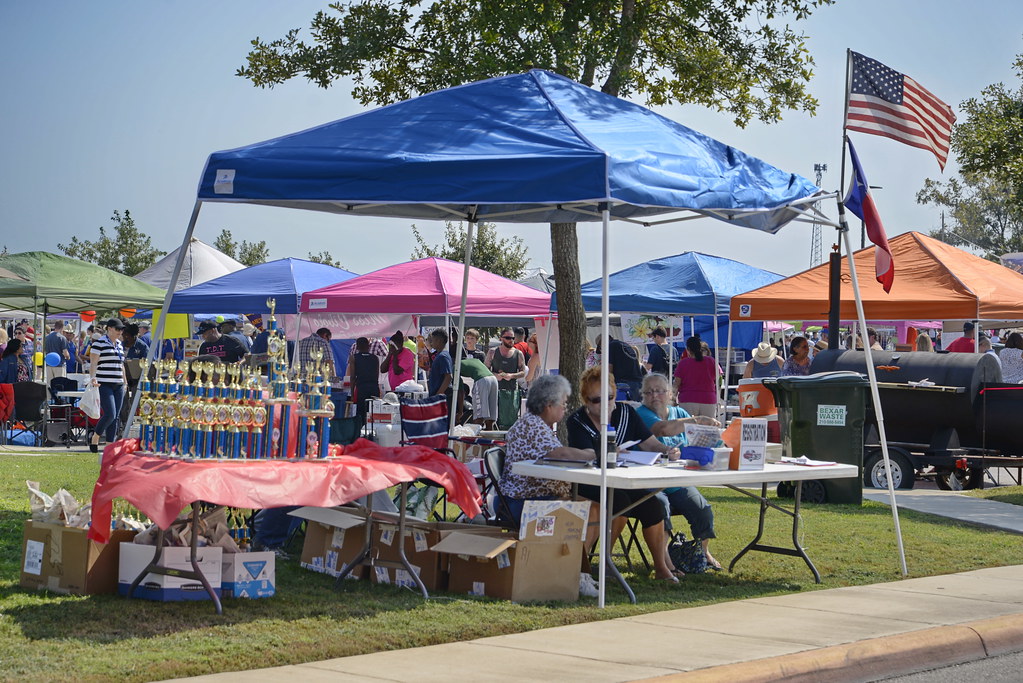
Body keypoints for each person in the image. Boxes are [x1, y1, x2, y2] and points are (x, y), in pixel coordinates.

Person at [566, 367, 682, 582]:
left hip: (621, 480)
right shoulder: (576, 421)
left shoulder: (626, 412)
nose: (605, 404)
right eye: (596, 400)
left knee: (653, 505)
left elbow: (650, 443)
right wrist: (604, 452)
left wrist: (668, 451)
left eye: (609, 397)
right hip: (588, 482)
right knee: (618, 500)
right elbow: (583, 455)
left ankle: (661, 568)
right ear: (585, 400)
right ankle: (605, 561)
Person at [499, 373, 604, 597]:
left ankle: (576, 570)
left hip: (526, 499)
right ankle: (575, 573)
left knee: (590, 504)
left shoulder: (535, 424)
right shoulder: (533, 425)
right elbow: (560, 453)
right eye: (563, 404)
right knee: (590, 507)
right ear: (549, 405)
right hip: (523, 504)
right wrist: (595, 453)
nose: (565, 409)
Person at [634, 372, 721, 570]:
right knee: (660, 506)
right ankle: (665, 561)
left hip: (677, 480)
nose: (654, 396)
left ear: (671, 394)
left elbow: (703, 440)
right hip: (650, 482)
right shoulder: (642, 414)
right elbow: (663, 429)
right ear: (643, 395)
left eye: (660, 391)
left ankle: (702, 552)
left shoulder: (680, 413)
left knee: (702, 509)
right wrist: (698, 420)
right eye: (649, 392)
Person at [89, 318, 126, 453]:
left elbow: (121, 365)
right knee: (110, 414)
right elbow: (93, 363)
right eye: (117, 329)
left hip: (119, 383)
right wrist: (93, 378)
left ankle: (110, 445)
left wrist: (125, 382)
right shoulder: (99, 343)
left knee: (115, 417)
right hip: (104, 383)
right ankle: (96, 435)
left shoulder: (120, 345)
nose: (120, 332)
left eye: (121, 329)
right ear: (109, 328)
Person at [673, 336, 722, 419]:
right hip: (708, 399)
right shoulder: (711, 361)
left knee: (688, 429)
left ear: (688, 349)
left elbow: (676, 384)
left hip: (688, 399)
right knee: (708, 430)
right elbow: (719, 379)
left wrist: (673, 399)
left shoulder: (683, 363)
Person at [486, 327, 526, 429]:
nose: (511, 340)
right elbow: (485, 370)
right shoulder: (492, 352)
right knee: (494, 419)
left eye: (513, 338)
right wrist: (495, 375)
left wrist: (511, 376)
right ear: (501, 339)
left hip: (512, 392)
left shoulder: (518, 354)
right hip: (495, 391)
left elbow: (522, 372)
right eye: (508, 338)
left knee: (511, 420)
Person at [600, 334, 645, 400]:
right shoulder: (624, 345)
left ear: (602, 342)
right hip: (637, 384)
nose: (601, 350)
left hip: (623, 384)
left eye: (600, 347)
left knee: (622, 408)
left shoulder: (611, 346)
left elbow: (609, 368)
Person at [348, 337, 380, 418]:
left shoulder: (354, 357)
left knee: (361, 414)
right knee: (372, 414)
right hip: (374, 388)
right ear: (368, 346)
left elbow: (352, 377)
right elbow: (377, 375)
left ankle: (361, 429)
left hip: (361, 389)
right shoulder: (375, 358)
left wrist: (352, 394)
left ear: (357, 347)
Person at [427, 328, 452, 398]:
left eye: (433, 340)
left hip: (442, 398)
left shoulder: (443, 356)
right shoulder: (439, 355)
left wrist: (438, 395)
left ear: (439, 341)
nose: (432, 343)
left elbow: (448, 377)